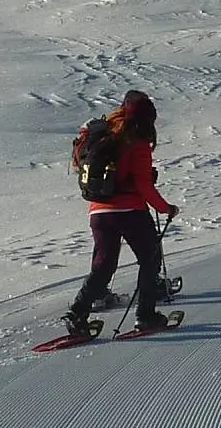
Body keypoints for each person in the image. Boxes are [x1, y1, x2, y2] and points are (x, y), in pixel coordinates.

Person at [65, 90, 179, 336]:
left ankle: (77, 314)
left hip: (98, 211)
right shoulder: (136, 141)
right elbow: (143, 186)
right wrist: (166, 208)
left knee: (103, 266)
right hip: (131, 212)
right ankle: (145, 316)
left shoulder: (104, 134)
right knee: (149, 260)